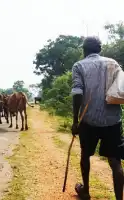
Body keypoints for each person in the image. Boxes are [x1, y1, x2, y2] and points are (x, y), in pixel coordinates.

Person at [71, 36, 124, 200]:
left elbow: (77, 92)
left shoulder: (79, 65)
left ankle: (86, 191)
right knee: (115, 161)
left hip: (89, 120)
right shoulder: (113, 63)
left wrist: (75, 121)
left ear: (84, 50)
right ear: (99, 49)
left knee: (85, 155)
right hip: (113, 120)